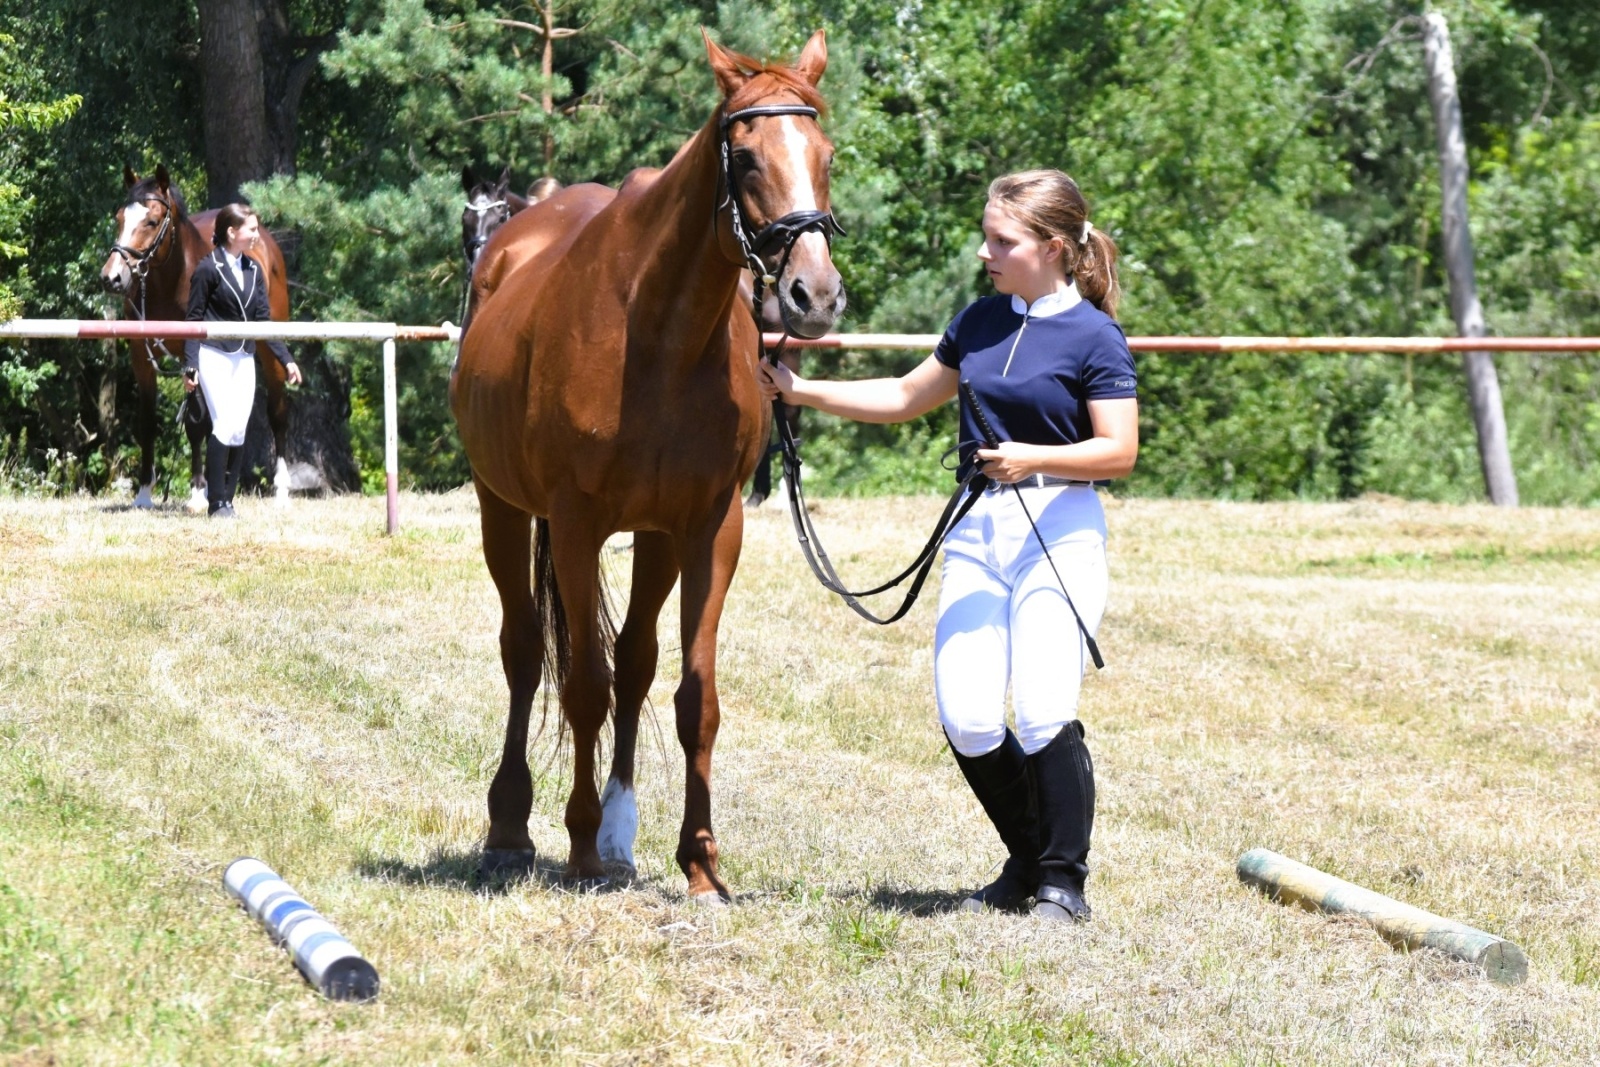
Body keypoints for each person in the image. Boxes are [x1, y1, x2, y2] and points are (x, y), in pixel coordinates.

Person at [757, 170, 1139, 921]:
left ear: (1053, 248)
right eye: (987, 237)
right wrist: (797, 392)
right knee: (966, 713)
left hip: (1058, 526)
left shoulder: (1096, 335)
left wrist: (1034, 456)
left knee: (1040, 711)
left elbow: (1119, 450)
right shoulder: (980, 320)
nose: (983, 251)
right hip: (980, 524)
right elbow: (905, 396)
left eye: (1002, 241)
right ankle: (1026, 862)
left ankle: (1064, 883)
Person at [183, 204, 301, 518]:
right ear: (232, 233)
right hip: (214, 355)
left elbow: (263, 321)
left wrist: (286, 359)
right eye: (251, 229)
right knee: (222, 425)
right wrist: (190, 364)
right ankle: (216, 501)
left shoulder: (252, 269)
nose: (255, 234)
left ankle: (228, 501)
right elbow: (193, 321)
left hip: (244, 357)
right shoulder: (208, 269)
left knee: (238, 430)